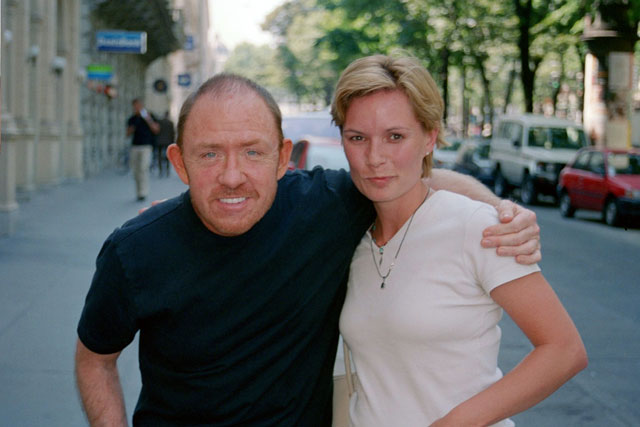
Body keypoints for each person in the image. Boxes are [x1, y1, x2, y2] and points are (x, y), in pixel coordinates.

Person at [75, 74, 542, 426]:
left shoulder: (322, 207)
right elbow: (95, 357)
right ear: (179, 162)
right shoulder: (134, 250)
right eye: (210, 154)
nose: (232, 176)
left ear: (283, 157)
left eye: (253, 152)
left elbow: (412, 179)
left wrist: (502, 211)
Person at [333, 55, 587, 426]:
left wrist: (456, 423)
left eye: (395, 136)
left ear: (429, 137)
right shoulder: (348, 234)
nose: (374, 157)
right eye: (357, 138)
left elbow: (564, 350)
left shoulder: (476, 226)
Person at [126, 98, 160, 201]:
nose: (137, 108)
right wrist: (132, 128)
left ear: (142, 106)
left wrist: (148, 119)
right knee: (136, 170)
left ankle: (143, 192)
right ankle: (138, 192)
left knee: (143, 168)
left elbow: (156, 130)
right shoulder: (132, 119)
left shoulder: (150, 116)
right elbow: (127, 134)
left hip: (146, 146)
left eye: (139, 105)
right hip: (135, 146)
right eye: (135, 106)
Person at [155, 111, 175, 177]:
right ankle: (167, 171)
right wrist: (172, 142)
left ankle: (160, 171)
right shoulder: (170, 123)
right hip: (168, 142)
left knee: (159, 157)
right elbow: (172, 133)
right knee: (168, 157)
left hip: (160, 141)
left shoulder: (160, 122)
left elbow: (157, 131)